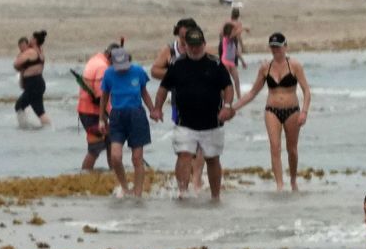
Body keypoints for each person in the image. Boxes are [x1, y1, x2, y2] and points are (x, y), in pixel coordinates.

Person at [151, 25, 236, 200]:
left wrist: (227, 106)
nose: (195, 48)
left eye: (198, 45)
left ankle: (215, 197)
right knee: (184, 155)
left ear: (204, 44)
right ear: (186, 45)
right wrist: (157, 108)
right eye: (191, 45)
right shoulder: (177, 65)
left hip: (212, 123)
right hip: (185, 123)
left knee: (212, 159)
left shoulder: (215, 64)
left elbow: (228, 87)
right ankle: (182, 193)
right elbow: (163, 88)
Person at [231, 32, 311, 192]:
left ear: (285, 47)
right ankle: (280, 185)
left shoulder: (294, 65)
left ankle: (293, 180)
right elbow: (252, 92)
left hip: (292, 111)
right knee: (275, 147)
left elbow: (306, 91)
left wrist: (304, 112)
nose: (276, 50)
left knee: (292, 149)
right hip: (271, 110)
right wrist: (233, 108)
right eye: (273, 47)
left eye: (278, 47)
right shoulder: (265, 67)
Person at [99, 47, 154, 198]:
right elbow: (104, 97)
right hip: (117, 116)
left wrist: (153, 110)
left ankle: (137, 194)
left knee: (137, 158)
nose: (122, 70)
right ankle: (125, 187)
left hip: (136, 116)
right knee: (115, 157)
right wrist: (101, 119)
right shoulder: (109, 74)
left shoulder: (138, 71)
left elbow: (144, 93)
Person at [75, 43, 118, 172]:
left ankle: (114, 171)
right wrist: (107, 115)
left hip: (88, 110)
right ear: (110, 57)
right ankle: (84, 175)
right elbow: (101, 96)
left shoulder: (96, 60)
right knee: (95, 147)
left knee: (111, 140)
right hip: (91, 113)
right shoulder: (102, 68)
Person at [13, 31, 50, 130]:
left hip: (33, 84)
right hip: (38, 83)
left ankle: (24, 128)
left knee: (18, 106)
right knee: (40, 112)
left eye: (31, 38)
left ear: (34, 40)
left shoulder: (31, 52)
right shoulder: (40, 51)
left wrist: (21, 55)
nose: (29, 40)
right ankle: (49, 129)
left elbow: (16, 64)